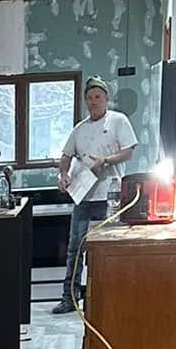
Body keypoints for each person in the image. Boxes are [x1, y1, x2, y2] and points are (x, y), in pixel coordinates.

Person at [54, 77, 137, 314]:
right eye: (89, 98)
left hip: (109, 196)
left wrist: (106, 161)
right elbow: (66, 155)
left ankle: (104, 299)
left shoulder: (118, 121)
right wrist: (63, 174)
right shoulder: (79, 129)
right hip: (83, 196)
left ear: (106, 98)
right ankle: (69, 298)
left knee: (103, 249)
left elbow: (129, 152)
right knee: (75, 248)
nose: (93, 102)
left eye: (97, 97)